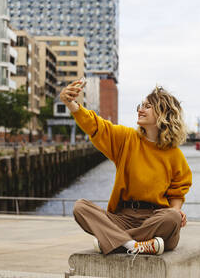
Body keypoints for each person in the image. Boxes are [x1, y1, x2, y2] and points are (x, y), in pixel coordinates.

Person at [60, 80, 192, 256]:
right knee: (80, 207)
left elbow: (177, 193)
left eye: (148, 106)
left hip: (155, 219)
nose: (140, 109)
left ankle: (114, 241)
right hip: (122, 218)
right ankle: (134, 245)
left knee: (172, 217)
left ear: (163, 114)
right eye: (141, 105)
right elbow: (96, 126)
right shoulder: (126, 139)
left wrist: (177, 211)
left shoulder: (175, 155)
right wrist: (71, 104)